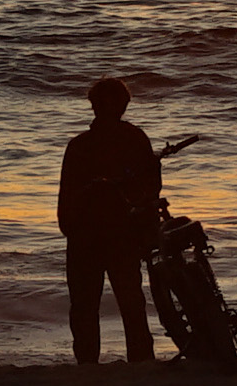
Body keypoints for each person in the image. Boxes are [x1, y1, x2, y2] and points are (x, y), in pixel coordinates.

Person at [56, 77, 165, 365]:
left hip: (89, 236)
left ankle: (88, 363)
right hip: (118, 234)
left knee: (87, 306)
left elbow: (66, 195)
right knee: (129, 303)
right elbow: (151, 188)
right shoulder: (135, 139)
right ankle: (140, 362)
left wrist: (68, 228)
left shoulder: (80, 145)